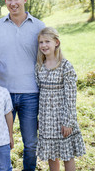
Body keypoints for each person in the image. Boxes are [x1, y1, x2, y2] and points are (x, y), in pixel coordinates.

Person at [0, 0, 45, 171]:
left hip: (31, 93)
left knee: (30, 144)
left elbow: (46, 58)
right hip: (3, 93)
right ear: (5, 1)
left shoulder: (39, 26)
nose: (13, 3)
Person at [35, 27, 86, 171]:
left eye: (47, 41)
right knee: (52, 155)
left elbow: (71, 97)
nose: (44, 45)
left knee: (67, 155)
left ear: (56, 42)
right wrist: (39, 119)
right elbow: (39, 94)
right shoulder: (39, 67)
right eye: (41, 42)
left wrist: (68, 121)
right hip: (46, 120)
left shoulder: (65, 66)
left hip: (62, 118)